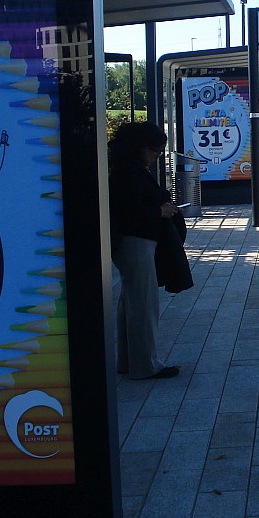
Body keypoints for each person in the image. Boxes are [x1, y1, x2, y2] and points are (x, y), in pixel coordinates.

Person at [108, 122, 185, 380]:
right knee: (143, 304)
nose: (157, 157)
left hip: (132, 242)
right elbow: (130, 211)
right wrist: (159, 211)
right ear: (141, 147)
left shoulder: (127, 169)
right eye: (155, 151)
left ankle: (128, 361)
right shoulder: (130, 173)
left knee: (130, 301)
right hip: (136, 241)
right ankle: (146, 365)